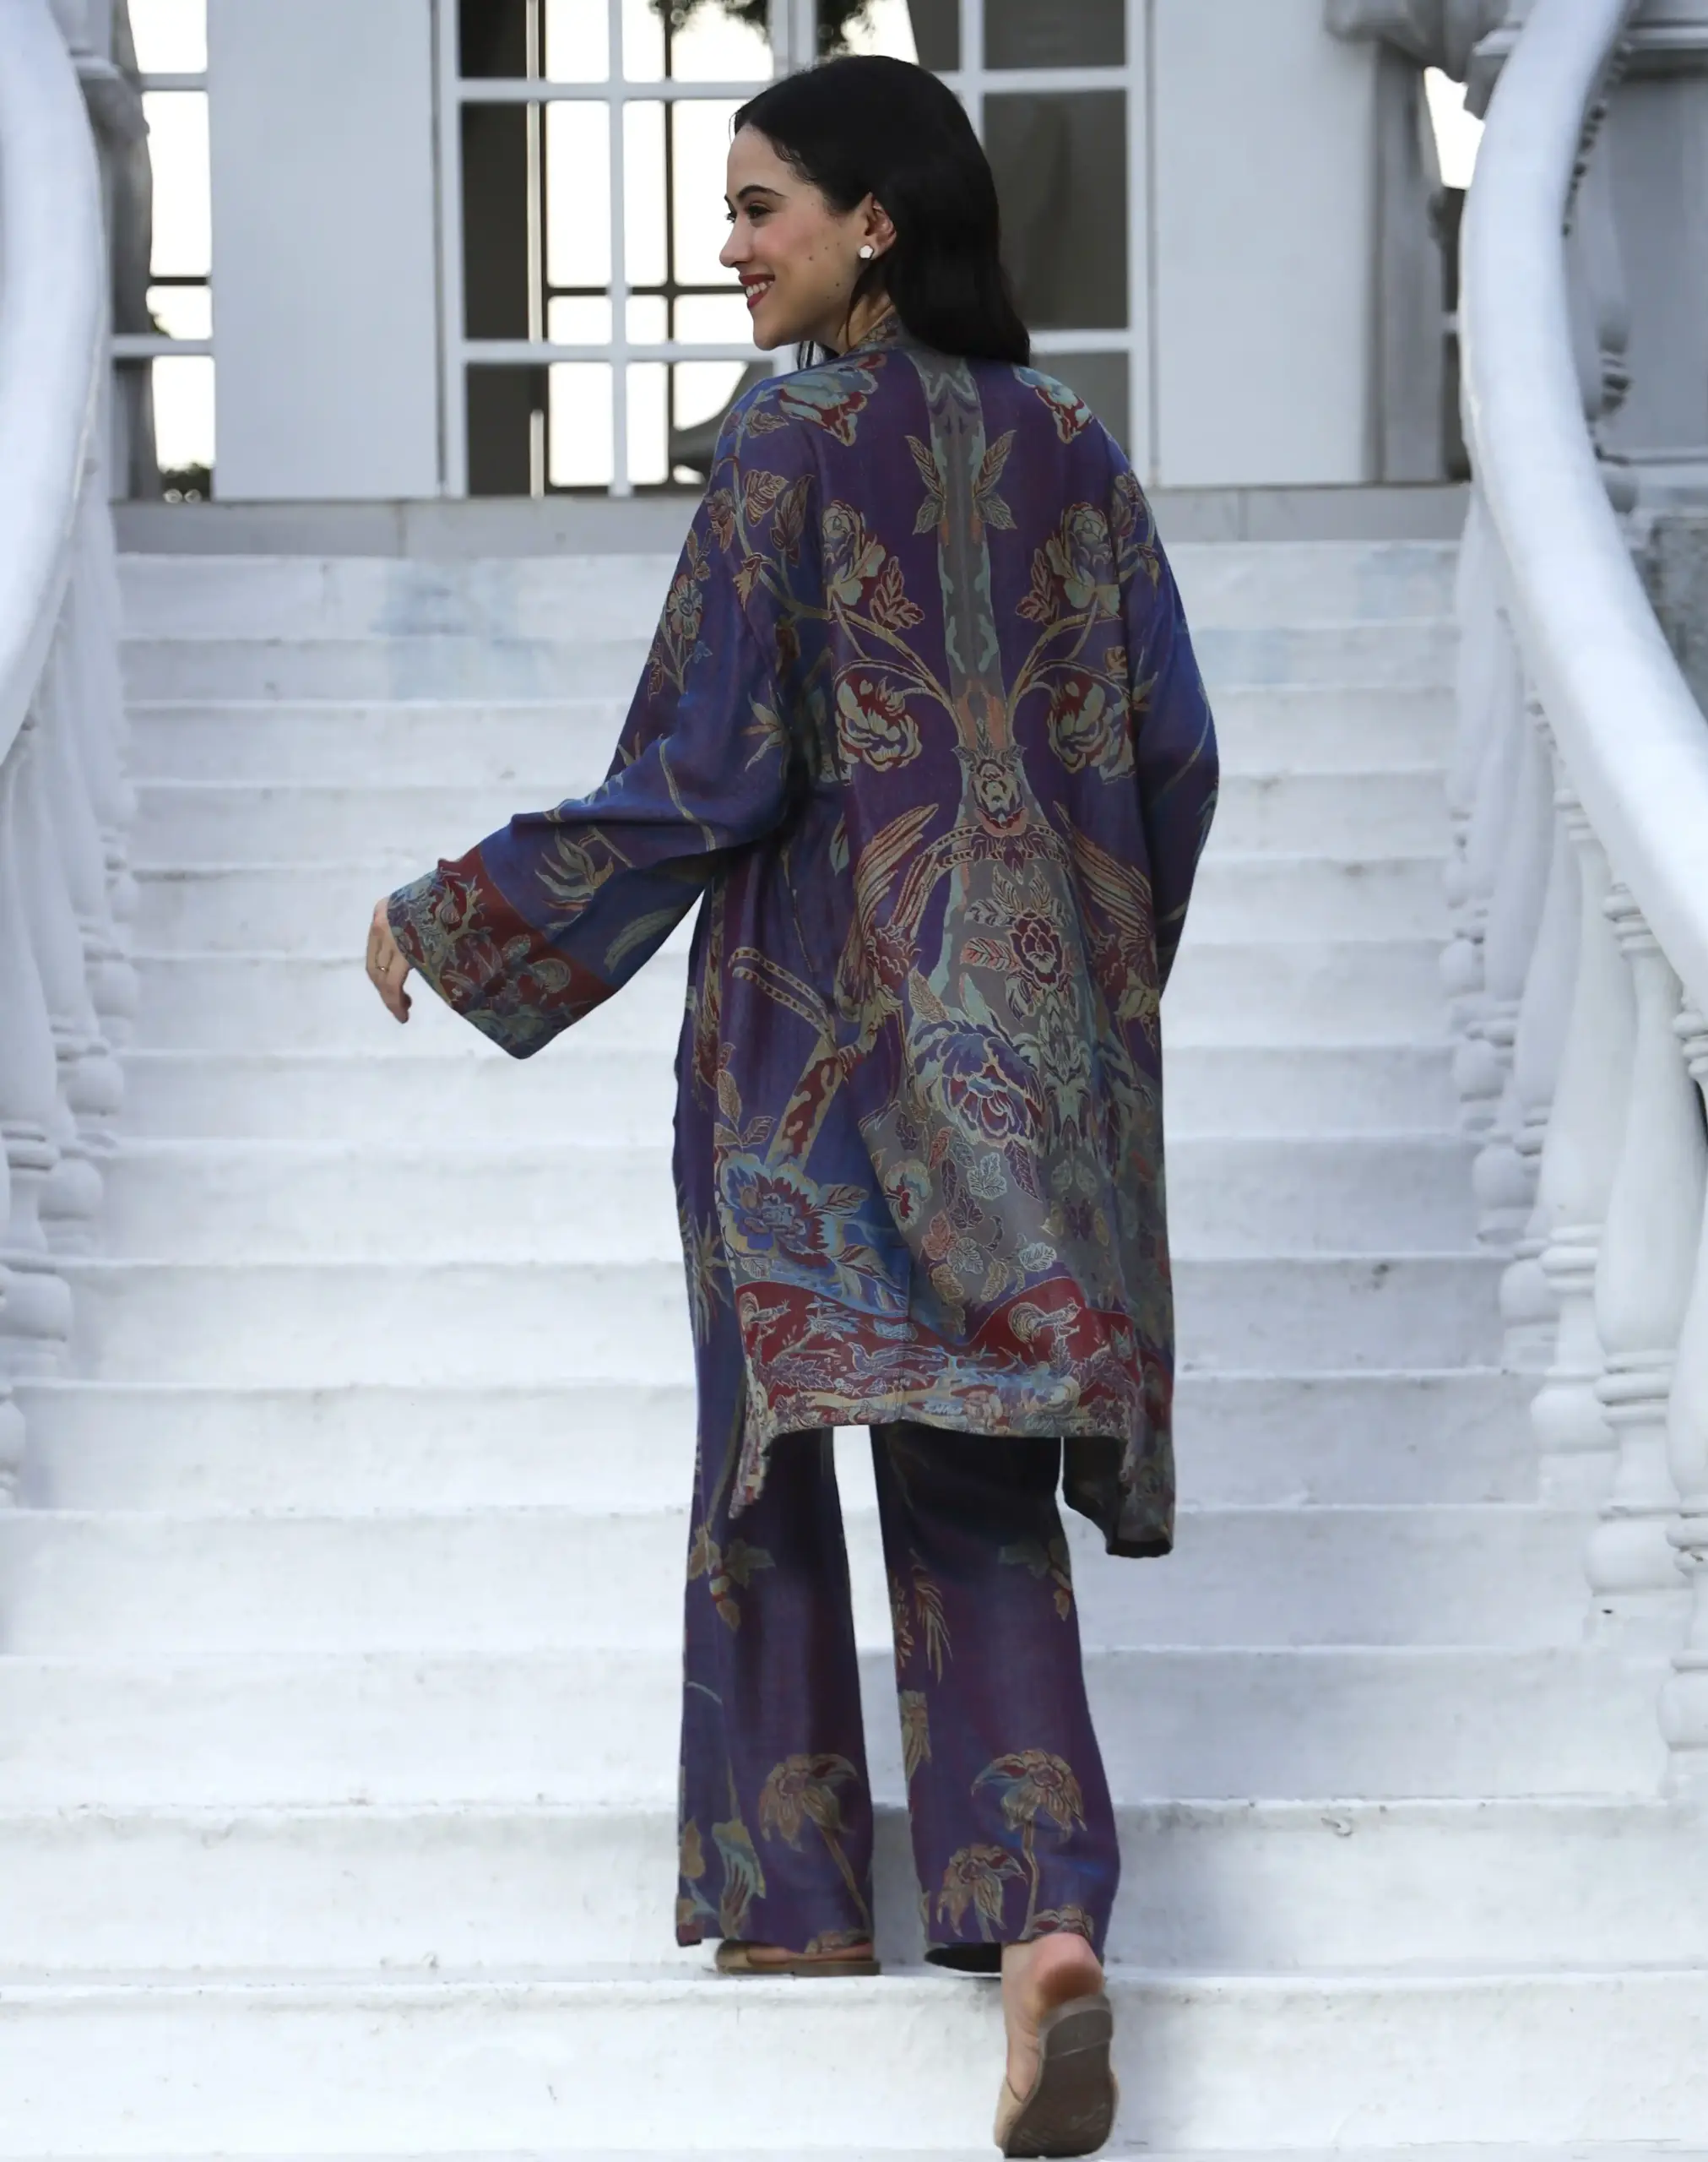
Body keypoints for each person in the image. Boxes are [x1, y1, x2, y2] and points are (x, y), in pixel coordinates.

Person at [366, 52, 1217, 2159]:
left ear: (874, 223)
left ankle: (796, 1891)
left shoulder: (786, 438)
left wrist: (460, 907)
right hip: (1023, 1054)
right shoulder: (1077, 447)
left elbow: (703, 769)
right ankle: (1042, 1923)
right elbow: (1177, 755)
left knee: (766, 1437)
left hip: (802, 1044)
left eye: (759, 205)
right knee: (975, 1470)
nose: (729, 244)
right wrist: (1081, 982)